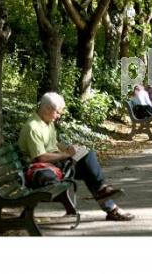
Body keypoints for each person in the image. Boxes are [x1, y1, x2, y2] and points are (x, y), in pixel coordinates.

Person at [18, 92, 134, 221]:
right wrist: (67, 154)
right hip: (41, 169)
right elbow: (40, 158)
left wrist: (69, 148)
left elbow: (54, 143)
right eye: (57, 112)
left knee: (86, 157)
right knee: (87, 162)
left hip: (53, 164)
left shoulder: (46, 122)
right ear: (47, 108)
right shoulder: (33, 127)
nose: (58, 116)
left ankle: (107, 199)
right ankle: (108, 202)